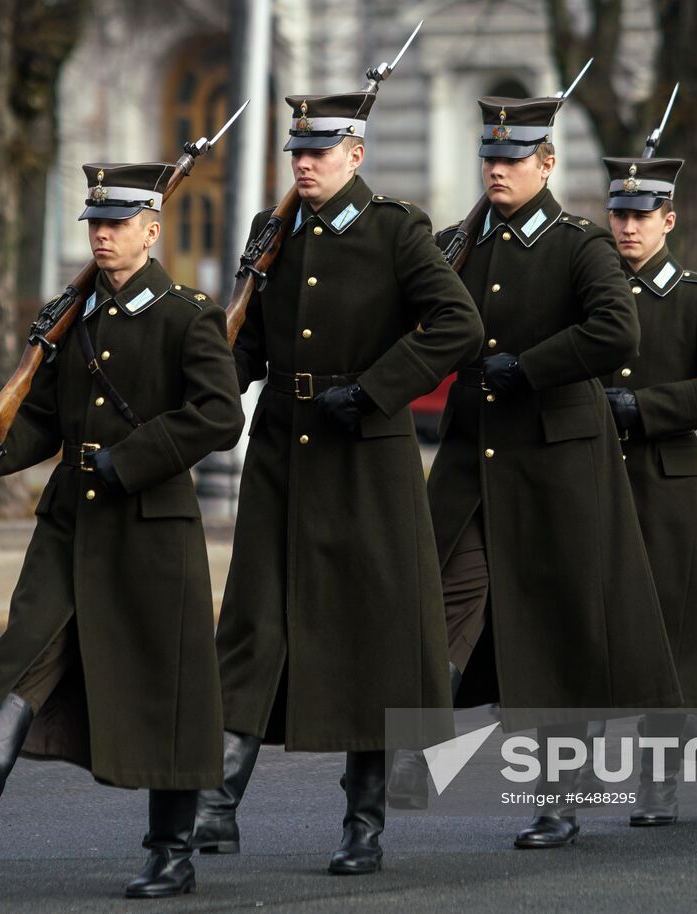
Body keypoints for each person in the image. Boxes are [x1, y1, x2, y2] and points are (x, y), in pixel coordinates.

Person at [0, 162, 245, 898]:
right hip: (71, 517)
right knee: (22, 649)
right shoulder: (75, 313)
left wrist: (133, 459)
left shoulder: (188, 314)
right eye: (94, 224)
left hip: (149, 523)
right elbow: (45, 422)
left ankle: (171, 849)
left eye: (117, 225)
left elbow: (220, 416)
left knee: (165, 686)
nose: (102, 236)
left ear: (152, 232)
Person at [193, 89, 483, 875]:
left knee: (368, 634)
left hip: (367, 456)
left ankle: (363, 825)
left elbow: (458, 323)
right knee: (254, 619)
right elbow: (248, 344)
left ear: (355, 154)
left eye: (320, 151)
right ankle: (215, 804)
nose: (306, 164)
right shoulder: (272, 230)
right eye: (297, 152)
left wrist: (378, 388)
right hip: (284, 455)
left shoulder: (397, 228)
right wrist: (208, 391)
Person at [415, 95, 682, 849]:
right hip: (472, 463)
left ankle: (558, 798)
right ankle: (403, 752)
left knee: (557, 628)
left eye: (512, 159)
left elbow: (612, 330)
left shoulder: (581, 246)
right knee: (439, 601)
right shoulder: (459, 245)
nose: (497, 170)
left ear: (547, 163)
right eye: (490, 160)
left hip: (556, 463)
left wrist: (527, 369)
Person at [599, 155, 697, 825]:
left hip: (667, 488)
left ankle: (657, 780)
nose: (628, 227)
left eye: (641, 217)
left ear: (667, 220)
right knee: (586, 635)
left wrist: (645, 409)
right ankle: (558, 798)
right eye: (620, 215)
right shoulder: (589, 289)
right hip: (597, 485)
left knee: (670, 640)